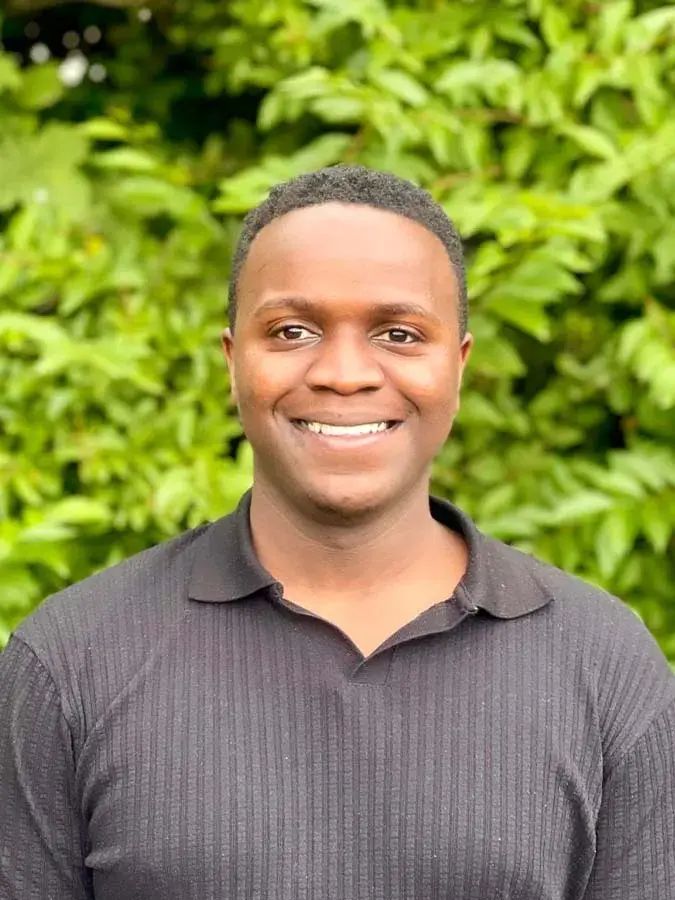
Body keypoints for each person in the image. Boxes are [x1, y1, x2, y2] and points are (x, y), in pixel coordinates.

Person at [1, 164, 673, 900]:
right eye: (291, 330)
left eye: (398, 332)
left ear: (457, 366)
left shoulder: (606, 669)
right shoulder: (69, 665)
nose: (344, 373)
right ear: (234, 364)